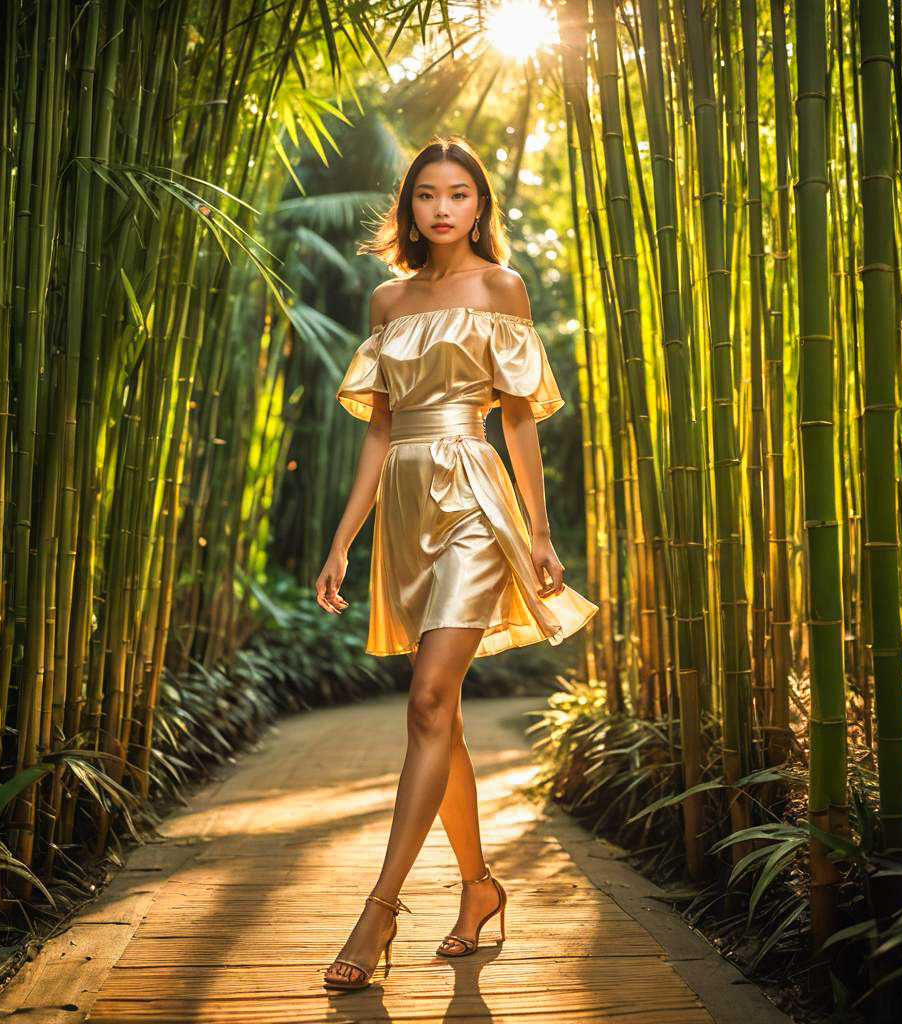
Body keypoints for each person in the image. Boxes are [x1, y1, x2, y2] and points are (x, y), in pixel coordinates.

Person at [315, 135, 599, 990]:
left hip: (473, 493)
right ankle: (479, 889)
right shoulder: (388, 299)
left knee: (430, 696)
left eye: (460, 194)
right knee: (446, 722)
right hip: (405, 503)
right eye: (429, 194)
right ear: (411, 206)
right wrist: (342, 538)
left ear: (480, 206)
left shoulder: (501, 286)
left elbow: (517, 420)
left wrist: (539, 534)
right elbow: (378, 429)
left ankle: (379, 910)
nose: (444, 208)